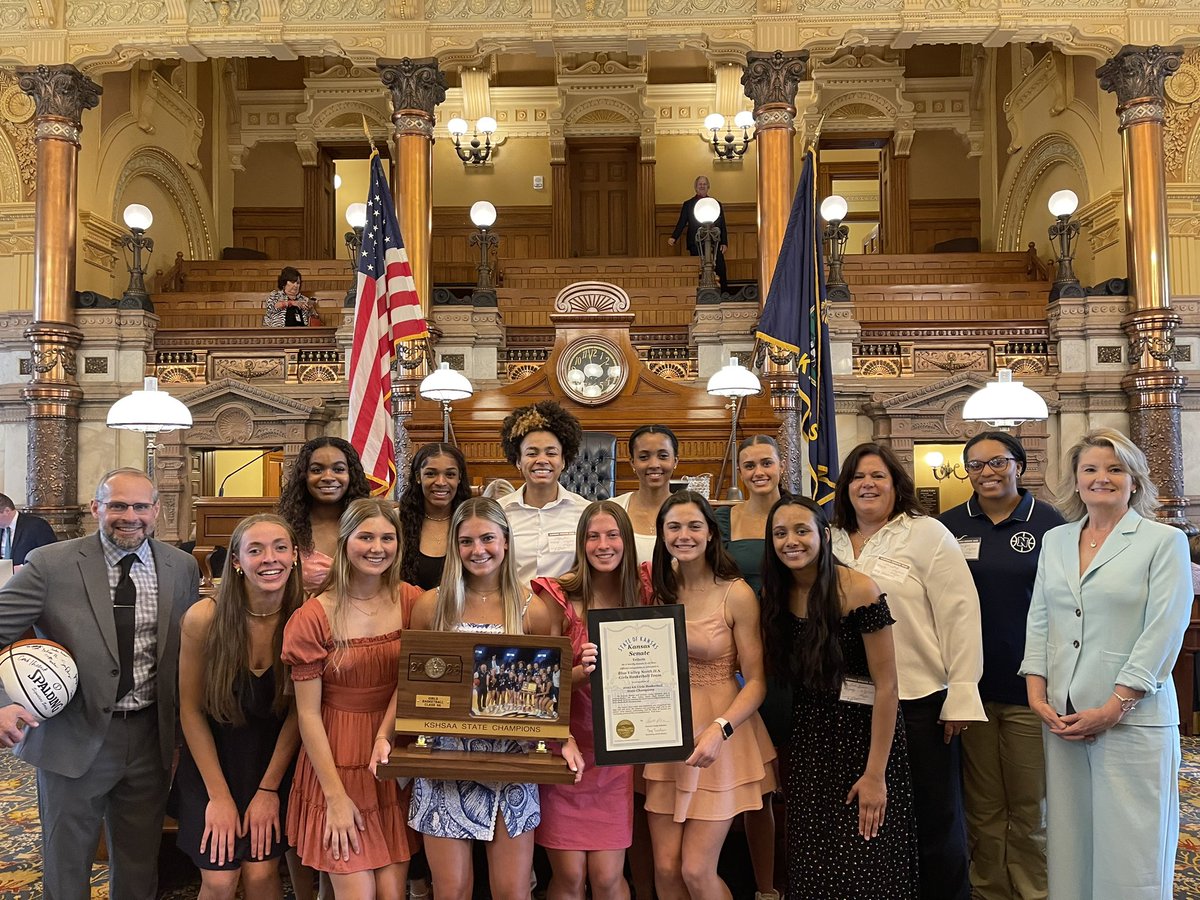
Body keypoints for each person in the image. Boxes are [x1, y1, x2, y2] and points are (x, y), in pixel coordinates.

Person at [0, 468, 201, 899]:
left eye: (140, 506)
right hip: (72, 736)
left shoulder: (181, 567)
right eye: (117, 505)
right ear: (96, 508)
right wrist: (4, 700)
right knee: (67, 861)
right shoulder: (52, 564)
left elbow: (188, 652)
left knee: (139, 861)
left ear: (157, 511)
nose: (130, 516)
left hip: (151, 738)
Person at [1020, 427, 1192, 900]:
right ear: (1075, 481)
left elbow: (1164, 631)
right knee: (1071, 841)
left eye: (1115, 469)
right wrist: (1037, 691)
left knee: (1131, 847)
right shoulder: (1055, 540)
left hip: (1132, 717)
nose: (1102, 478)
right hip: (1064, 716)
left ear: (1134, 480)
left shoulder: (1162, 541)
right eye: (1090, 469)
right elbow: (1041, 619)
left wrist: (1116, 705)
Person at [406, 497, 585, 900]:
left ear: (505, 541)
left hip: (512, 759)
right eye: (466, 542)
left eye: (487, 538)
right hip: (445, 759)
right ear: (454, 546)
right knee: (451, 891)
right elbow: (414, 686)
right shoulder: (431, 606)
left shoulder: (533, 610)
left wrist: (565, 739)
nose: (478, 550)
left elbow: (547, 692)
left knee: (512, 891)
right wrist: (390, 735)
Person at [829, 443, 985, 900]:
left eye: (878, 476)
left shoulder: (927, 533)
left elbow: (960, 613)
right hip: (849, 703)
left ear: (897, 484)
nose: (867, 485)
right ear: (845, 487)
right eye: (857, 477)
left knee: (934, 816)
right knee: (870, 818)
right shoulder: (831, 536)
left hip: (919, 699)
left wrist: (961, 691)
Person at [760, 495, 918, 898]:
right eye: (780, 533)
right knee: (813, 857)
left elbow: (888, 687)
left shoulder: (860, 590)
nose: (790, 541)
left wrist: (875, 775)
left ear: (823, 535)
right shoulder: (777, 595)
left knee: (867, 854)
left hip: (864, 737)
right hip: (810, 736)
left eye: (801, 530)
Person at [938, 432, 1064, 900]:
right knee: (983, 805)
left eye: (997, 462)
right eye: (975, 465)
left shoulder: (1051, 524)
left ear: (1019, 465)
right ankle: (989, 889)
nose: (986, 472)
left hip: (1032, 687)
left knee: (1030, 805)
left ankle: (1034, 890)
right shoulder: (949, 526)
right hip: (969, 686)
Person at [643, 490, 776, 900]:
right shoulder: (655, 590)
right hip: (664, 731)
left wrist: (721, 729)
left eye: (694, 525)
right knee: (665, 870)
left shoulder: (735, 592)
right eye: (674, 527)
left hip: (719, 733)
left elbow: (756, 681)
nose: (684, 535)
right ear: (662, 535)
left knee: (696, 870)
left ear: (711, 533)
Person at [283, 498, 420, 896]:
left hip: (390, 755)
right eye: (365, 537)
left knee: (393, 894)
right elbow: (307, 715)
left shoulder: (413, 601)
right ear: (345, 542)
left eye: (387, 537)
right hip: (335, 757)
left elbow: (417, 679)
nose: (377, 547)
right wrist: (335, 797)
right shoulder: (313, 616)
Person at [175, 514, 304, 898]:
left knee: (262, 875)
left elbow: (302, 713)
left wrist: (268, 790)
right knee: (219, 878)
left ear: (295, 556)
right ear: (236, 561)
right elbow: (191, 710)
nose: (270, 558)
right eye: (256, 549)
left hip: (275, 761)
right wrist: (219, 796)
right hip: (213, 760)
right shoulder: (204, 618)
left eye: (281, 547)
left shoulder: (307, 616)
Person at [529, 501, 652, 900]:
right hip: (567, 748)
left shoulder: (646, 590)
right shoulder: (556, 597)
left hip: (620, 752)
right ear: (581, 543)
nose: (603, 545)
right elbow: (534, 684)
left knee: (607, 876)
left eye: (612, 535)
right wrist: (581, 673)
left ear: (627, 541)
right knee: (569, 876)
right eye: (593, 536)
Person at [712, 434, 786, 900]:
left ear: (782, 467)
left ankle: (772, 885)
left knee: (773, 779)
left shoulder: (798, 513)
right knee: (733, 772)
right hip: (729, 656)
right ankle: (731, 874)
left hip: (786, 652)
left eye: (767, 463)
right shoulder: (722, 519)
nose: (758, 472)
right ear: (739, 472)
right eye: (749, 465)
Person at [498, 400, 589, 585]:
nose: (542, 460)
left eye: (551, 453)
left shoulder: (585, 512)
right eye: (532, 453)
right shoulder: (499, 512)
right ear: (518, 461)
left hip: (566, 610)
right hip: (513, 610)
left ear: (563, 461)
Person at [277, 436, 371, 595]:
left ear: (351, 475)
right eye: (316, 470)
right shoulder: (286, 529)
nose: (328, 477)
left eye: (339, 469)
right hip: (301, 617)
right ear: (303, 476)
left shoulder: (370, 525)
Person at [398, 442, 472, 590]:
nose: (441, 482)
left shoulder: (472, 521)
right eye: (431, 474)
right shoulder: (397, 521)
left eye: (450, 474)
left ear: (459, 478)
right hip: (407, 610)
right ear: (418, 477)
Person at [612, 425, 680, 565]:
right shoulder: (613, 509)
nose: (654, 464)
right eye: (644, 457)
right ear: (633, 463)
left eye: (663, 456)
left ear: (675, 461)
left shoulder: (693, 511)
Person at [668, 175, 728, 292]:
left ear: (708, 187)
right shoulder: (688, 204)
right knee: (698, 268)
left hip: (715, 242)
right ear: (695, 187)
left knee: (720, 267)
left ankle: (723, 294)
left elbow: (722, 225)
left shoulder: (716, 204)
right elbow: (682, 222)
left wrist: (724, 242)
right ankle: (698, 293)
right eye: (700, 184)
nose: (702, 186)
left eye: (704, 184)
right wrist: (674, 237)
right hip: (695, 242)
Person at [0, 492, 56, 567]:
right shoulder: (2, 528)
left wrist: (23, 568)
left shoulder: (36, 526)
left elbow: (50, 556)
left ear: (7, 511)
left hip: (27, 576)